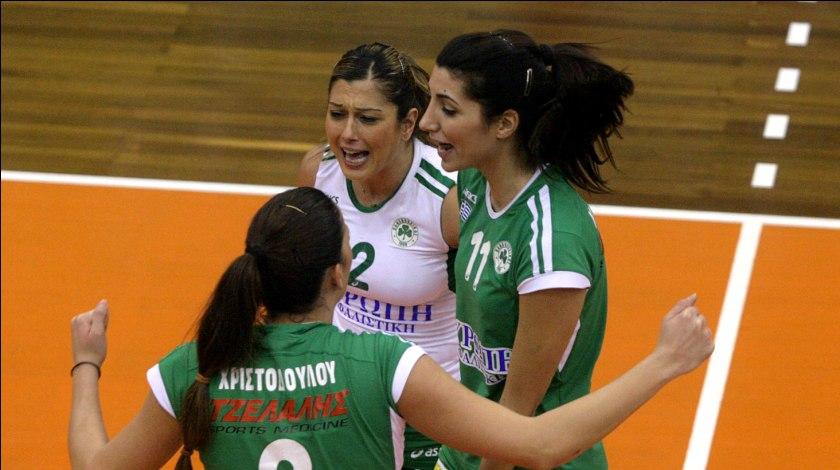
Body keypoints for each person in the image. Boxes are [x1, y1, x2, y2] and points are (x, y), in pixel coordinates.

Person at [69, 186, 714, 470]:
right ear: (340, 275)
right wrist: (663, 361)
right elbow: (541, 445)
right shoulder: (381, 363)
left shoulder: (195, 367)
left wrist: (87, 364)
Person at [417, 30, 635, 469]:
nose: (426, 121)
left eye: (448, 109)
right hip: (467, 445)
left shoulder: (552, 243)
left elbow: (518, 418)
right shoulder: (475, 182)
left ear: (504, 124)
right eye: (430, 101)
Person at [296, 43, 459, 469]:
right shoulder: (318, 172)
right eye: (337, 114)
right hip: (344, 392)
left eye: (367, 119)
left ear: (408, 124)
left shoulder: (447, 196)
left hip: (431, 403)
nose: (347, 133)